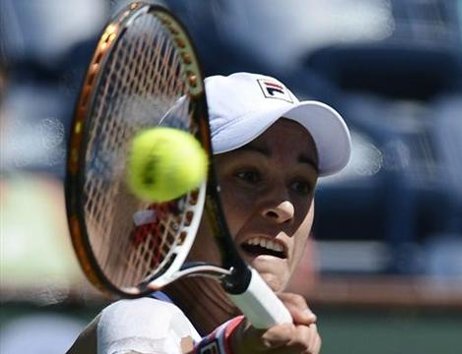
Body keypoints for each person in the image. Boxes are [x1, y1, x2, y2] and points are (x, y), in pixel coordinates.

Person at [66, 72, 352, 354]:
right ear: (176, 203)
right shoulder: (136, 321)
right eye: (249, 175)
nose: (284, 207)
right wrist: (228, 348)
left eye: (301, 184)